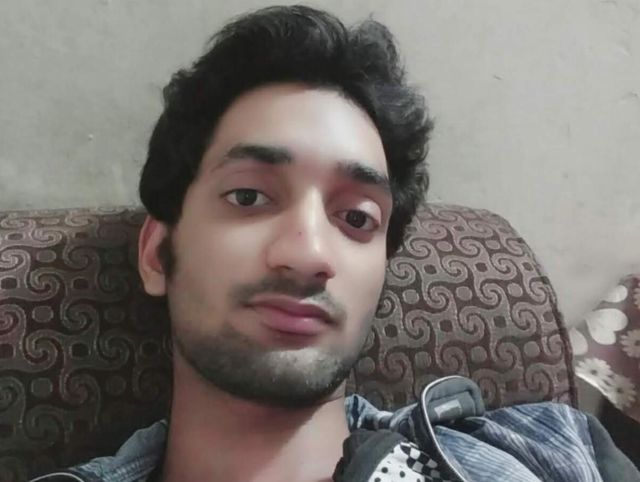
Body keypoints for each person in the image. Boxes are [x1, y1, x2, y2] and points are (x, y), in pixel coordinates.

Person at [32, 5, 638, 482]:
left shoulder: (550, 451)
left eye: (355, 218)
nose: (309, 255)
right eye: (248, 196)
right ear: (156, 254)